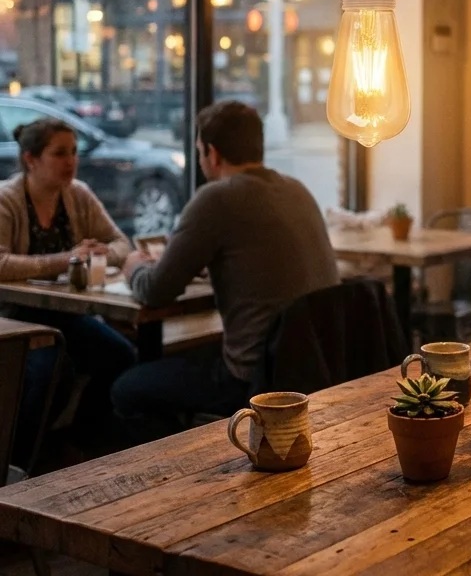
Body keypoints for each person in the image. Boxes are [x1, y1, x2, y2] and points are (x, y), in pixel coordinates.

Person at [111, 101, 339, 435]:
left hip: (253, 376)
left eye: (200, 152)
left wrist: (132, 266)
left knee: (126, 390)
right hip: (314, 363)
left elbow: (155, 290)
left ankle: (175, 474)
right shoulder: (297, 189)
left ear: (213, 154)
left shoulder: (215, 199)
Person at [0, 118, 135, 467]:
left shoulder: (78, 195)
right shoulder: (7, 199)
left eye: (74, 152)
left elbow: (121, 242)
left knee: (121, 356)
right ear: (31, 159)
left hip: (68, 315)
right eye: (59, 153)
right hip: (15, 317)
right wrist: (65, 259)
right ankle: (19, 465)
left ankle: (81, 442)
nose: (71, 161)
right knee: (48, 372)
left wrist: (100, 254)